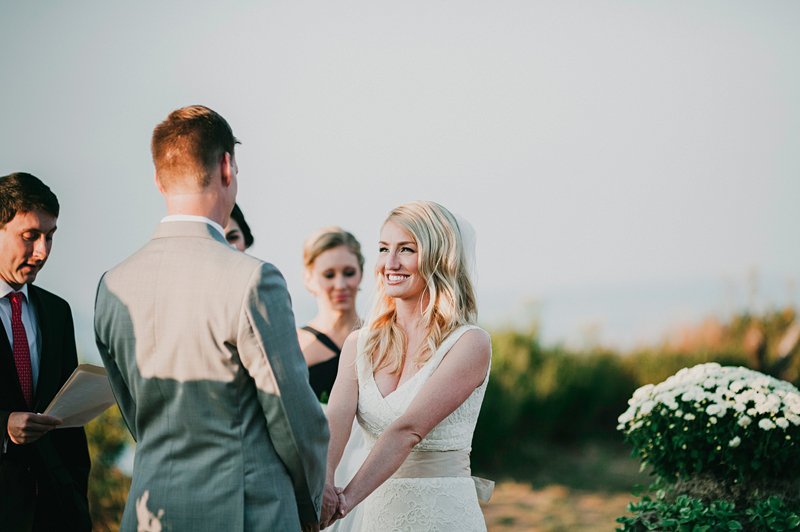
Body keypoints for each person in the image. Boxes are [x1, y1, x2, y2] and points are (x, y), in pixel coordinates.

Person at [94, 105, 329, 532]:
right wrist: (310, 501)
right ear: (226, 166)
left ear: (158, 178)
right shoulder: (253, 279)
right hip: (246, 512)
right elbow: (292, 415)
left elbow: (134, 413)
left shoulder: (112, 286)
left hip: (150, 514)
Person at [322, 201, 492, 531]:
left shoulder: (469, 343)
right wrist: (324, 484)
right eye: (384, 249)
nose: (390, 263)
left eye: (406, 250)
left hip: (442, 515)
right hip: (375, 516)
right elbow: (335, 425)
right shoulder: (360, 344)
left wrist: (343, 502)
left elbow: (408, 430)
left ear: (438, 258)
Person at [0, 172, 91, 531]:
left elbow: (70, 433)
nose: (42, 251)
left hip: (55, 513)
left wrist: (77, 506)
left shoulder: (57, 312)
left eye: (50, 237)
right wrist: (3, 425)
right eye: (30, 236)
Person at [297, 227, 368, 532]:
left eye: (349, 272)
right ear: (309, 278)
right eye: (329, 274)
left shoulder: (380, 339)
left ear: (362, 274)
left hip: (368, 477)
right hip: (315, 476)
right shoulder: (294, 346)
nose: (340, 284)